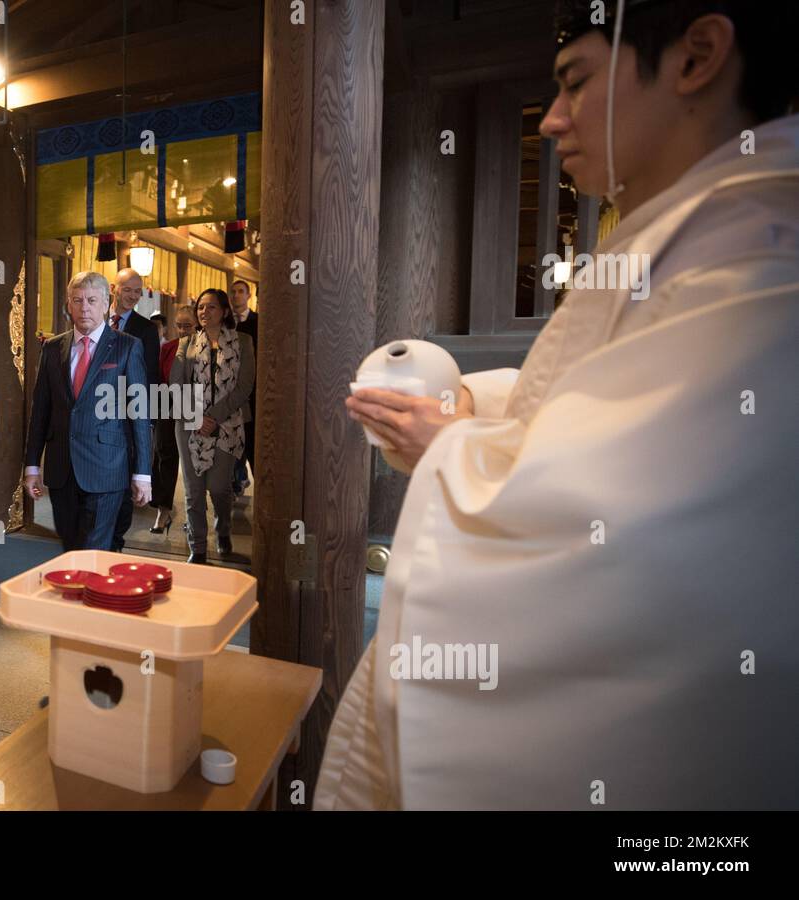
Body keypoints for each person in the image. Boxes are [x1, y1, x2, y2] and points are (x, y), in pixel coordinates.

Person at [319, 0, 799, 809]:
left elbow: (613, 532)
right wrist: (469, 405)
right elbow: (594, 406)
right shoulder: (685, 232)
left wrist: (450, 448)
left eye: (576, 84)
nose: (552, 122)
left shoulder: (761, 254)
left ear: (697, 57)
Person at [24, 271, 153, 551]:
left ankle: (97, 595)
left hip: (107, 467)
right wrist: (32, 464)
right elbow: (40, 411)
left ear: (106, 303)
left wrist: (143, 473)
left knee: (95, 550)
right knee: (70, 547)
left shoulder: (127, 347)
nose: (84, 307)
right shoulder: (52, 348)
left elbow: (140, 414)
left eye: (92, 300)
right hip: (61, 469)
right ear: (68, 305)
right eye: (77, 300)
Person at [170, 289, 254, 564]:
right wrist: (197, 417)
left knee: (219, 487)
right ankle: (198, 547)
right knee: (193, 490)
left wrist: (214, 416)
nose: (204, 312)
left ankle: (223, 528)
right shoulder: (187, 343)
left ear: (225, 311)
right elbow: (176, 384)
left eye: (211, 307)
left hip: (228, 425)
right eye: (201, 308)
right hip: (189, 424)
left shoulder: (243, 341)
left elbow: (245, 386)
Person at [108, 267, 160, 551]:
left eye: (137, 292)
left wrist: (146, 421)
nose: (132, 296)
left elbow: (149, 376)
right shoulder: (98, 318)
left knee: (125, 478)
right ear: (113, 289)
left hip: (127, 417)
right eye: (127, 290)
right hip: (96, 415)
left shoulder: (146, 329)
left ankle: (115, 541)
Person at [150, 303, 198, 534]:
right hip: (167, 407)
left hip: (195, 408)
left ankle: (194, 514)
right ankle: (163, 510)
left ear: (197, 324)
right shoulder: (168, 348)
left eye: (187, 326)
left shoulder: (205, 348)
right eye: (178, 326)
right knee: (163, 456)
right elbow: (159, 379)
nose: (182, 331)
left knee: (193, 462)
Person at [229, 279, 258, 497]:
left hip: (254, 393)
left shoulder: (260, 321)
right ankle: (235, 485)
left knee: (254, 443)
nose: (237, 295)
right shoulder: (225, 322)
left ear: (249, 295)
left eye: (241, 292)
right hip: (228, 394)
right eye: (233, 292)